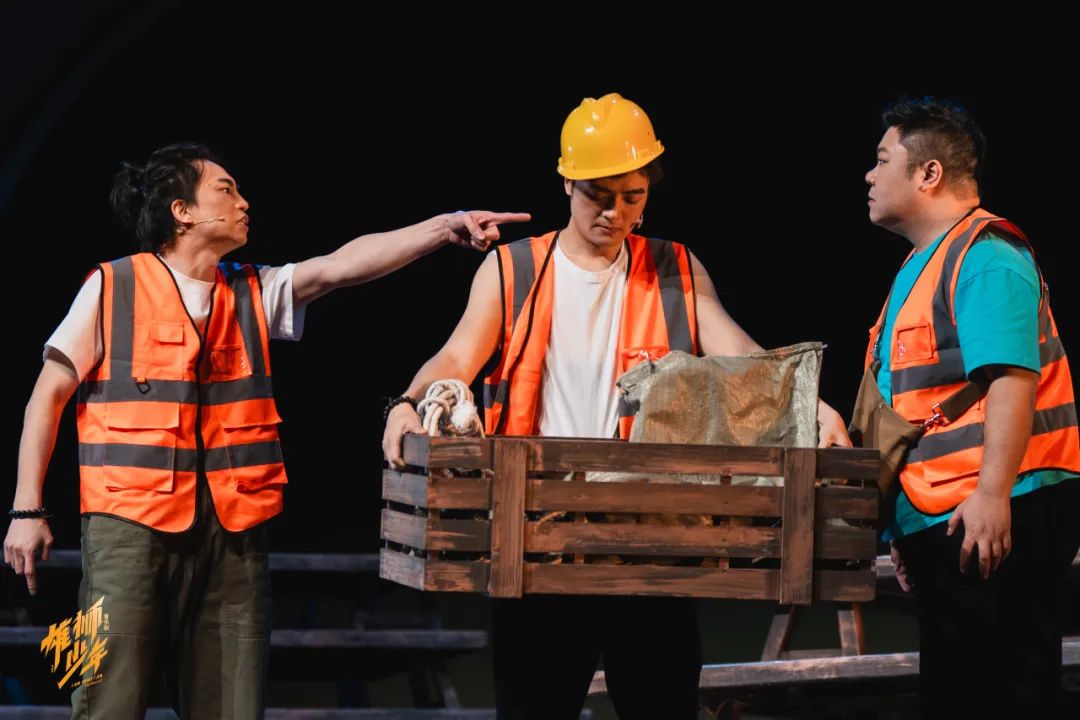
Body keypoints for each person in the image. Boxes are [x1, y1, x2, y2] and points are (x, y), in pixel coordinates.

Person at [3, 142, 529, 719]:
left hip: (234, 534)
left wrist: (445, 227)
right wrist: (27, 509)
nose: (244, 203)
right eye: (226, 190)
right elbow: (47, 395)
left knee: (232, 705)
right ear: (182, 211)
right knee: (110, 697)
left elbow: (340, 265)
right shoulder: (113, 286)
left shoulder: (252, 290)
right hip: (129, 531)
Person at [383, 93, 851, 720]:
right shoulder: (513, 269)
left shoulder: (674, 267)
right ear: (567, 183)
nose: (615, 212)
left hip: (650, 538)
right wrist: (408, 403)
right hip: (538, 538)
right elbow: (455, 357)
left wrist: (812, 408)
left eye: (632, 196)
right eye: (599, 195)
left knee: (661, 705)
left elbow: (744, 358)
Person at [862, 97, 1080, 717]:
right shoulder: (924, 263)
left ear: (928, 173)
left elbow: (1011, 379)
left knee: (1005, 691)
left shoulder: (985, 256)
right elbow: (917, 410)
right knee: (958, 691)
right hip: (946, 512)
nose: (870, 175)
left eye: (883, 159)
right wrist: (902, 525)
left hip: (996, 506)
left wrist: (991, 494)